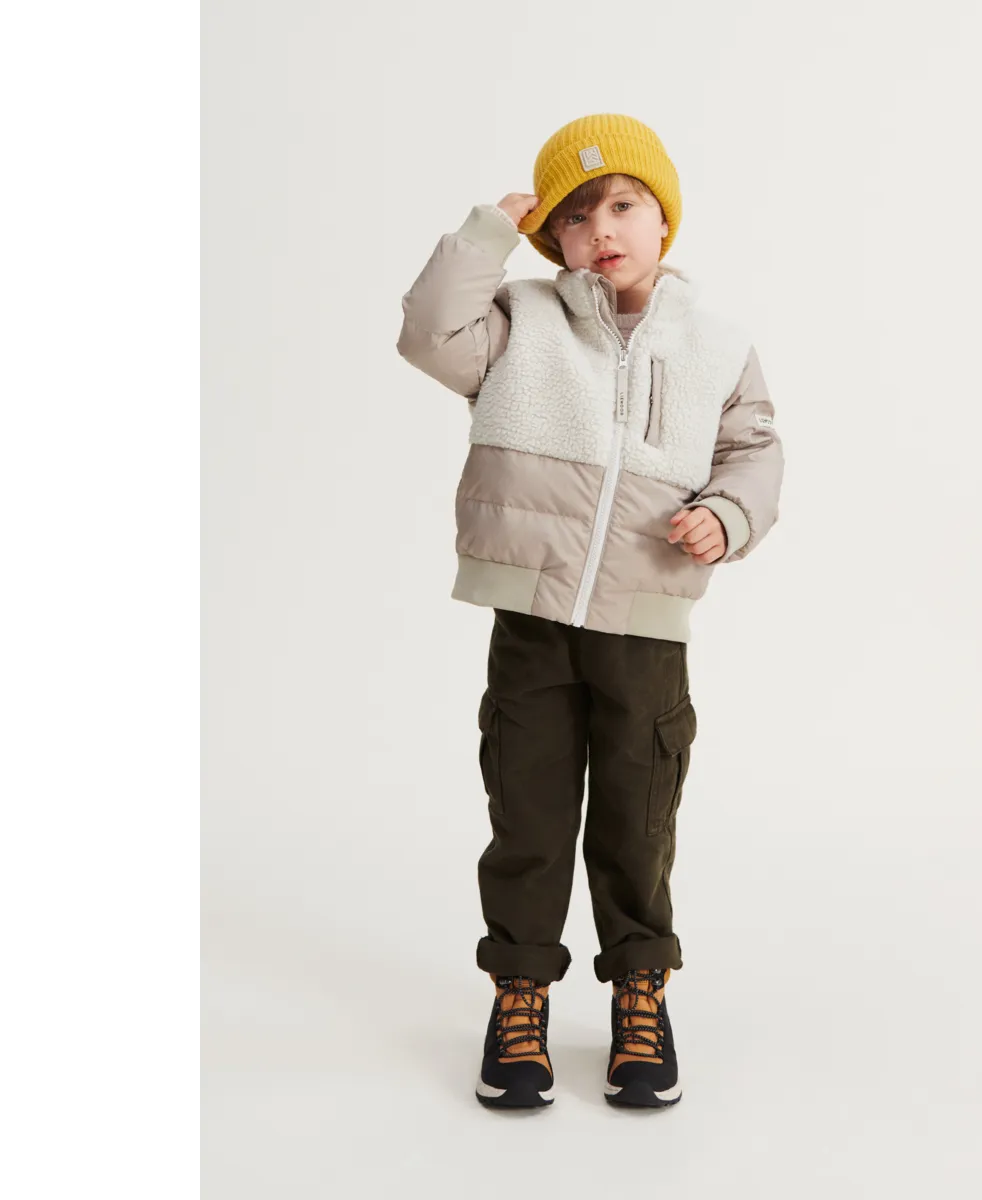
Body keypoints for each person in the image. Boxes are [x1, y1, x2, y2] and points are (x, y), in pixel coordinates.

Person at [395, 113, 785, 1110]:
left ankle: (640, 992)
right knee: (525, 813)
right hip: (532, 618)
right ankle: (519, 993)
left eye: (621, 205)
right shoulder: (519, 320)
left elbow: (753, 450)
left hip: (643, 623)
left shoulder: (717, 345)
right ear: (551, 239)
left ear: (664, 219)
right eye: (574, 217)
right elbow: (427, 334)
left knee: (636, 817)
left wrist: (727, 515)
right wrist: (488, 232)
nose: (601, 229)